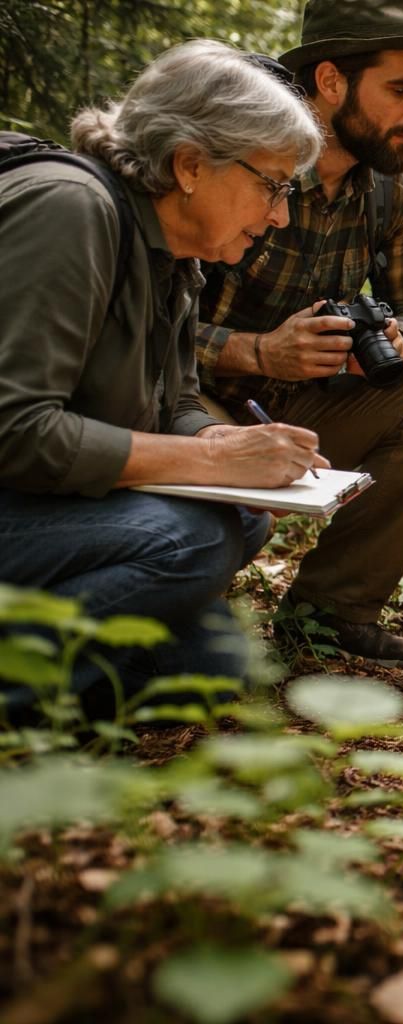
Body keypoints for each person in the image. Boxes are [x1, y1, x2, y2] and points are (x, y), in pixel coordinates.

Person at [0, 40, 327, 715]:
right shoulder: (69, 209)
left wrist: (232, 451)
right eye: (271, 185)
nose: (280, 215)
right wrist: (213, 459)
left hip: (38, 506)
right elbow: (16, 430)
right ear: (189, 165)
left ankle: (58, 684)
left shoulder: (172, 251)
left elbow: (171, 398)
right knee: (193, 539)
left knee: (217, 659)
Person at [196, 0, 403, 670]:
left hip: (311, 403)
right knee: (225, 528)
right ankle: (179, 624)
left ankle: (332, 613)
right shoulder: (236, 160)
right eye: (401, 90)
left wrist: (392, 344)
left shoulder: (394, 183)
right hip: (195, 402)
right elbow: (145, 328)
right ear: (330, 83)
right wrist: (258, 351)